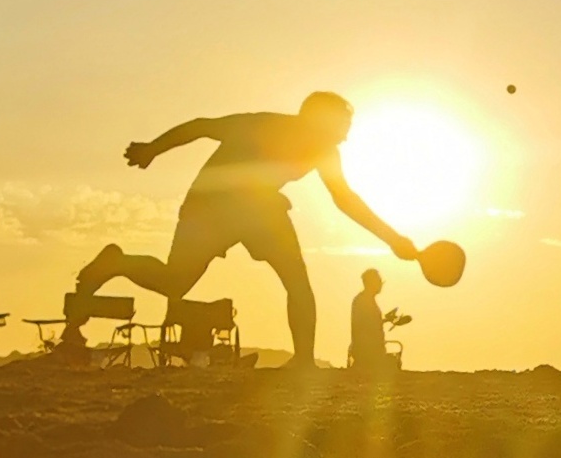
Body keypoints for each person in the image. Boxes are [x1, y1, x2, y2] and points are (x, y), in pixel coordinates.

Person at [72, 93, 420, 371]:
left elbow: (345, 200)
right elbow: (201, 127)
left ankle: (303, 361)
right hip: (212, 207)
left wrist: (392, 239)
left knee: (295, 280)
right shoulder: (262, 124)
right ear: (319, 121)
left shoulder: (325, 152)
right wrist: (152, 149)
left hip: (258, 210)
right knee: (175, 282)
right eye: (342, 125)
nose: (346, 134)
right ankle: (116, 262)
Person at [349, 268, 390, 375]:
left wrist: (385, 320)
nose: (381, 285)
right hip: (367, 352)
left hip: (370, 350)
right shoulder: (363, 300)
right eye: (379, 282)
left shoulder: (364, 299)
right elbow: (366, 326)